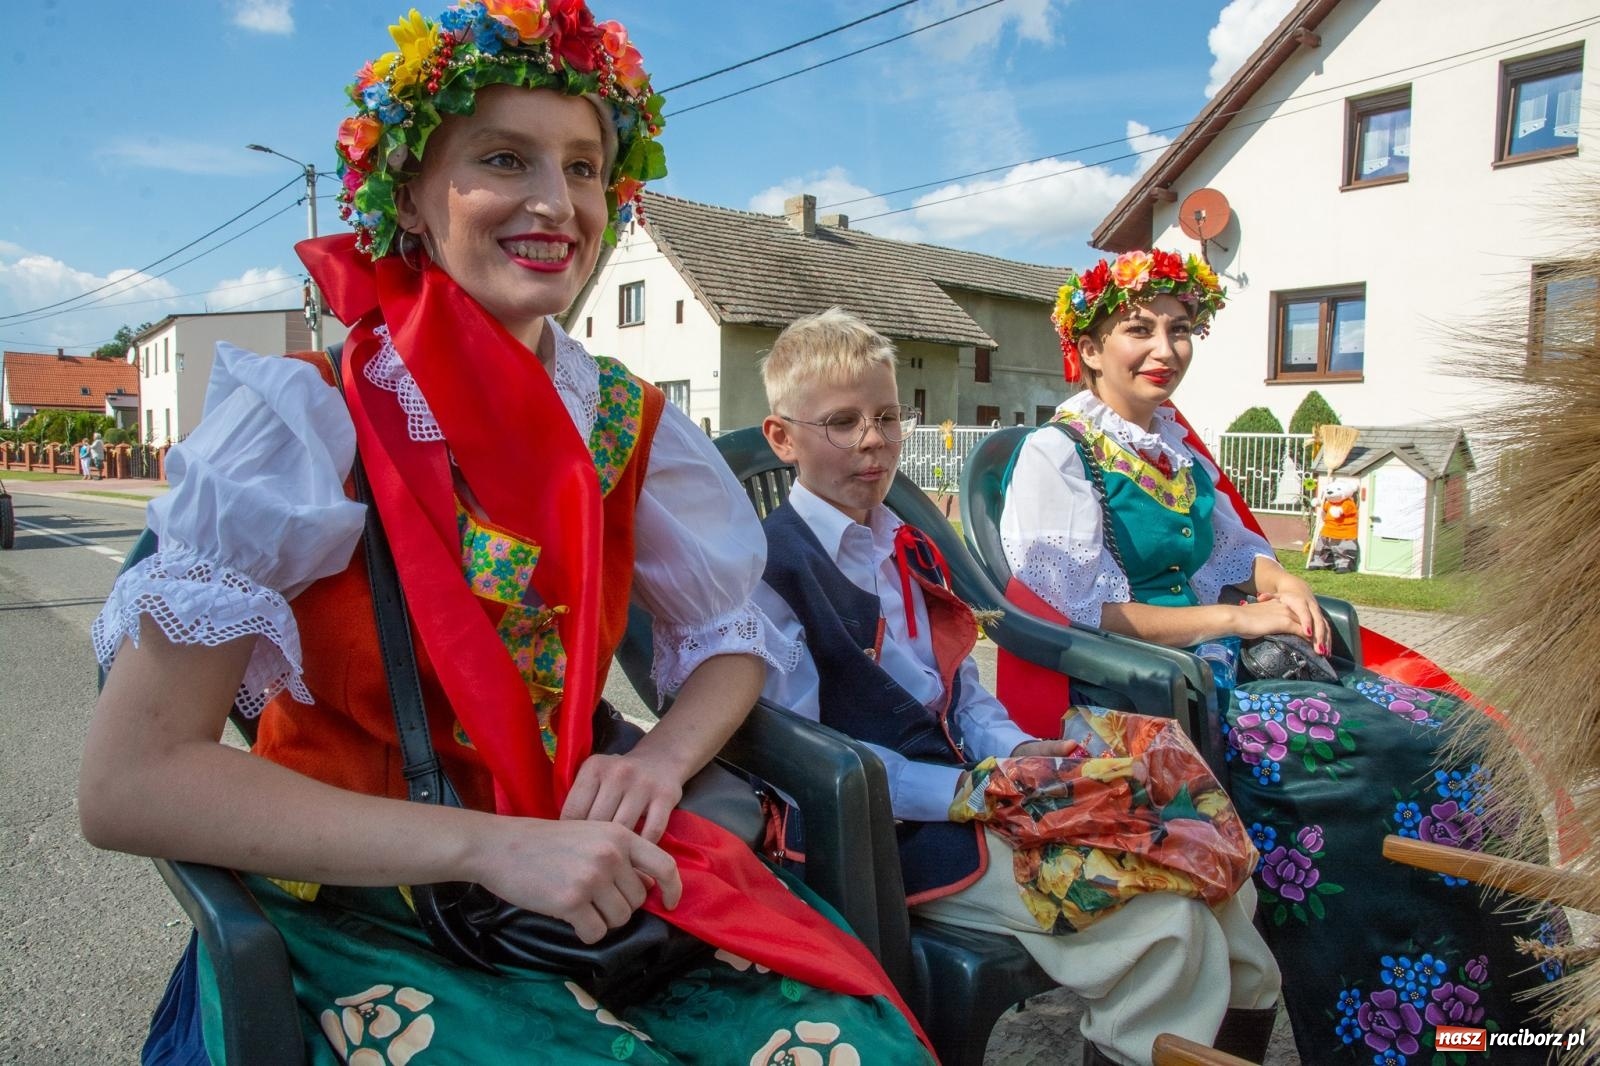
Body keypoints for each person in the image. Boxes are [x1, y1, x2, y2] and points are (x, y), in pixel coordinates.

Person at [81, 7, 930, 1064]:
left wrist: (659, 761)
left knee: (855, 1045)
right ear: (411, 197)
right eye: (501, 158)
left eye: (583, 166)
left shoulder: (625, 424)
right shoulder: (305, 420)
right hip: (363, 893)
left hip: (584, 865)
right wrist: (490, 845)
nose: (555, 201)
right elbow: (132, 781)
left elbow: (730, 634)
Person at [999, 249, 1564, 1063]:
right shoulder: (1062, 454)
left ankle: (1511, 1010)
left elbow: (1239, 548)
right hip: (1151, 693)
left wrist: (1281, 578)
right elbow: (1085, 613)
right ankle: (1403, 1023)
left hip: (1225, 670)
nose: (1165, 348)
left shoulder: (1175, 451)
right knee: (1375, 756)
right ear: (1088, 349)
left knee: (1449, 732)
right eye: (1138, 329)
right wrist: (1241, 616)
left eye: (1181, 330)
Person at [753, 308, 1282, 1066]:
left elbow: (966, 695)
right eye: (840, 422)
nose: (873, 439)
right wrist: (976, 791)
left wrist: (1031, 755)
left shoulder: (905, 543)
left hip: (978, 792)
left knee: (1217, 880)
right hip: (885, 833)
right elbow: (810, 760)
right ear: (781, 437)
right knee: (1167, 928)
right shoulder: (774, 569)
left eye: (887, 416)